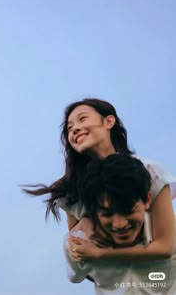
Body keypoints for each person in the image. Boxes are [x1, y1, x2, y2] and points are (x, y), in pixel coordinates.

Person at [23, 98, 176, 259]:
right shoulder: (71, 190)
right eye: (70, 128)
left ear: (109, 121)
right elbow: (80, 253)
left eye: (83, 119)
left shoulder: (150, 171)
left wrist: (102, 253)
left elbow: (165, 247)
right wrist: (84, 229)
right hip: (115, 282)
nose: (75, 128)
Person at [64, 154, 176, 295]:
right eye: (107, 214)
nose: (119, 224)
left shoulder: (171, 236)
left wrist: (103, 254)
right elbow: (78, 275)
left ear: (148, 200)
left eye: (128, 210)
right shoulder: (79, 243)